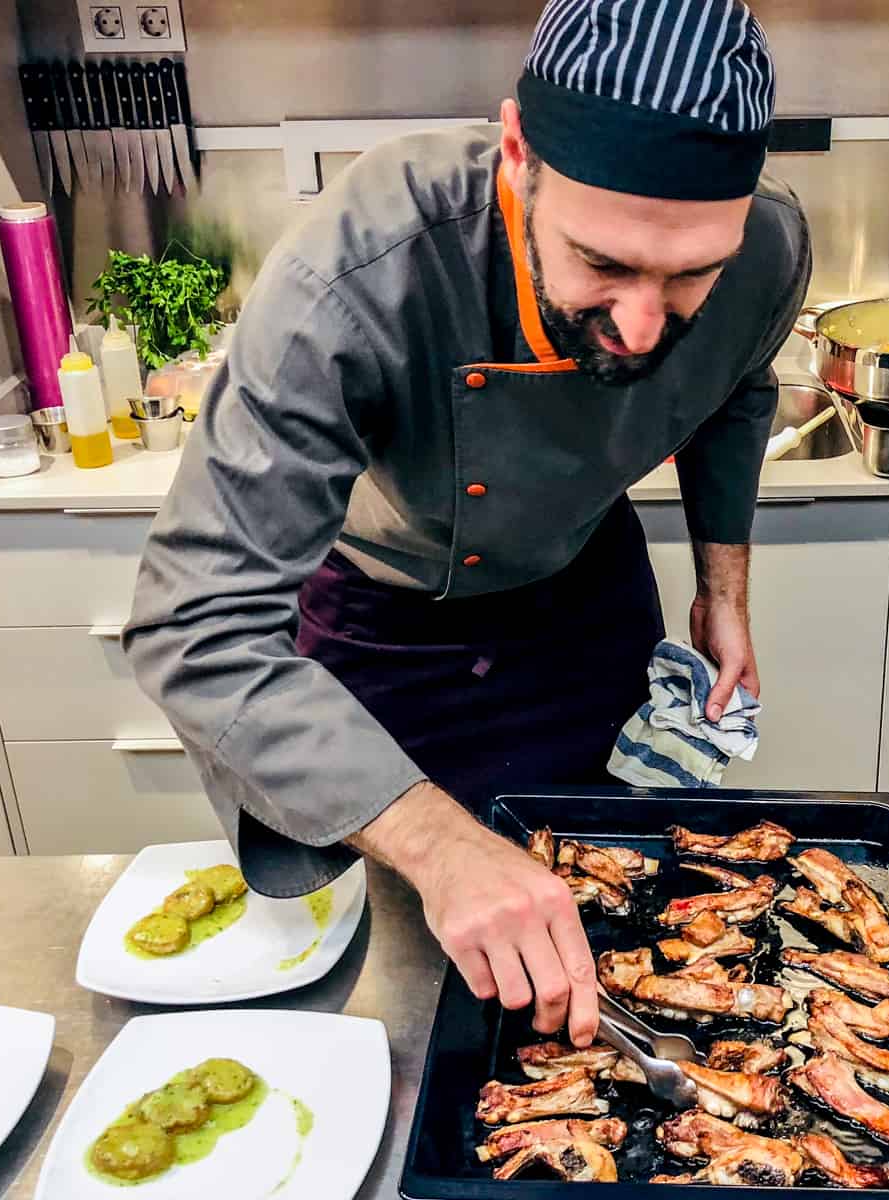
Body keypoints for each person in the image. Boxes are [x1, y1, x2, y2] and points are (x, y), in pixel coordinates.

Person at [124, 0, 810, 1050]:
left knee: (615, 931)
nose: (639, 326)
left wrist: (724, 588)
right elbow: (194, 626)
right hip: (385, 629)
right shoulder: (356, 276)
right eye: (603, 264)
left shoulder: (768, 248)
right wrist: (437, 848)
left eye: (689, 279)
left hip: (582, 603)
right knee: (428, 986)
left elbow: (738, 388)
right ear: (518, 152)